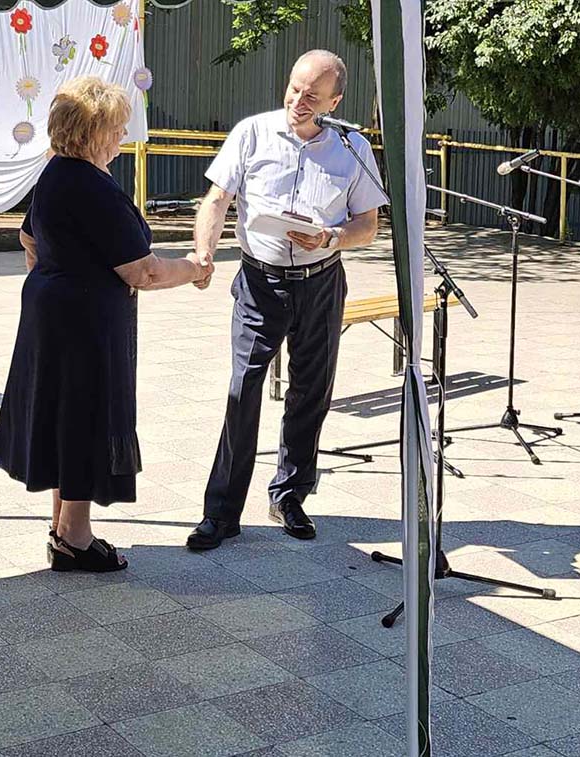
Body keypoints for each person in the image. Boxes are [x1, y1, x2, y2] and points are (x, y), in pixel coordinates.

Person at [0, 77, 212, 572]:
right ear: (91, 132)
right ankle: (75, 535)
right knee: (86, 417)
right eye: (115, 128)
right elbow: (143, 272)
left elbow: (29, 240)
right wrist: (195, 269)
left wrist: (57, 277)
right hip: (85, 322)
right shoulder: (92, 186)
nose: (122, 136)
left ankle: (62, 528)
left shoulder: (55, 173)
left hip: (54, 312)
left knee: (64, 416)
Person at [186, 49, 388, 550]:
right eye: (295, 89)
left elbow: (368, 225)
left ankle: (290, 495)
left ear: (334, 102)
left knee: (311, 390)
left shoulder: (352, 148)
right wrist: (204, 253)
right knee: (243, 390)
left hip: (321, 282)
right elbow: (217, 199)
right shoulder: (252, 133)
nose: (299, 101)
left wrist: (332, 237)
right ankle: (221, 512)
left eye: (313, 96)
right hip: (259, 282)